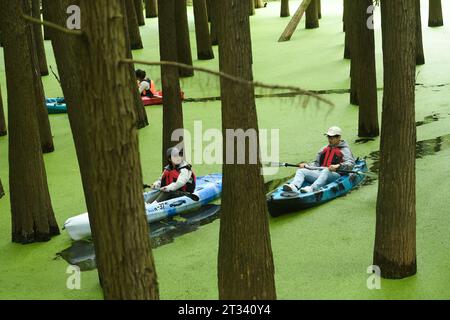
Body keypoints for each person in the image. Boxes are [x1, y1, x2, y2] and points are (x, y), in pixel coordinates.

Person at [283, 126, 355, 193]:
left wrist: (338, 166)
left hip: (336, 176)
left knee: (326, 170)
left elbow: (351, 164)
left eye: (332, 137)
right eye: (329, 137)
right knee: (301, 171)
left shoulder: (345, 150)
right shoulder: (323, 149)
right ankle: (294, 186)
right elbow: (316, 164)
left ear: (339, 137)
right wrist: (306, 165)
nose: (330, 139)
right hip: (320, 173)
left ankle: (312, 188)